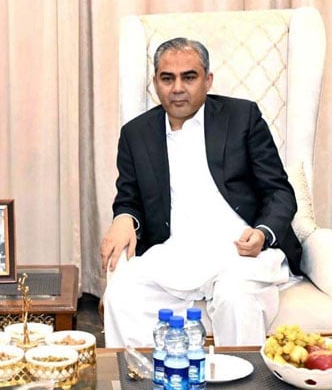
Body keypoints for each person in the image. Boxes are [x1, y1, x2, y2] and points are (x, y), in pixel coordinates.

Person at [99, 37, 301, 347]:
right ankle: (146, 379)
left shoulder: (242, 118)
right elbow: (129, 197)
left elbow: (279, 191)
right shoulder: (136, 134)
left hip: (242, 251)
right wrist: (125, 217)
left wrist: (262, 232)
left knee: (235, 296)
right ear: (155, 83)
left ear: (207, 80)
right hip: (177, 252)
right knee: (121, 294)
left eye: (189, 77)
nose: (177, 87)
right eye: (168, 78)